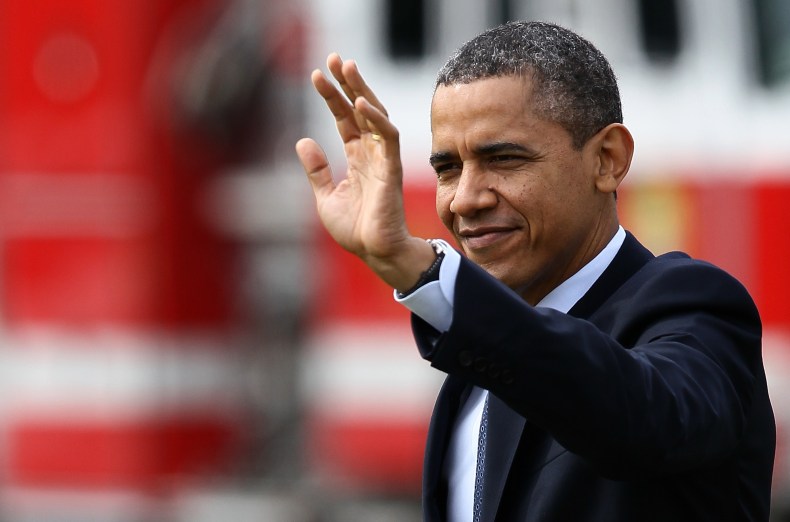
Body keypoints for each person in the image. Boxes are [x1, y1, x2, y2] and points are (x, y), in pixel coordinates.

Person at [295, 20, 775, 522]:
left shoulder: (694, 306)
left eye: (503, 159)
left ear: (608, 160)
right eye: (447, 169)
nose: (465, 199)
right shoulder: (474, 363)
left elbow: (637, 421)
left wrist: (421, 271)